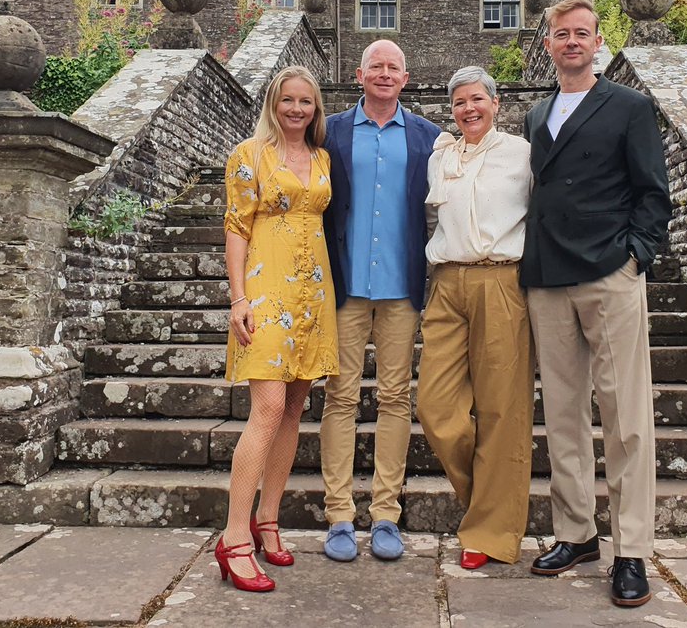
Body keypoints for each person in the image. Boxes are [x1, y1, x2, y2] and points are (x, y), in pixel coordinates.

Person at [521, 0, 671, 609]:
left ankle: (631, 549)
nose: (572, 42)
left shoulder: (630, 107)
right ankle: (576, 534)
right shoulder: (535, 115)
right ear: (549, 44)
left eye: (582, 33)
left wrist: (633, 255)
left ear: (598, 41)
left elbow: (653, 193)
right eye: (562, 34)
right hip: (547, 276)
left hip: (609, 273)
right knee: (562, 415)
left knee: (625, 417)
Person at [215, 65, 339, 593]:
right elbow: (237, 227)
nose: (296, 109)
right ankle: (234, 538)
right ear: (274, 103)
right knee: (266, 408)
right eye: (287, 100)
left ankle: (269, 519)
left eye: (306, 101)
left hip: (314, 291)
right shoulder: (250, 155)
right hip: (266, 289)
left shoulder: (321, 157)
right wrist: (238, 297)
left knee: (294, 407)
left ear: (315, 109)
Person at [320, 39, 441, 562]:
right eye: (377, 67)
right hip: (346, 286)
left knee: (395, 398)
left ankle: (386, 514)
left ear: (406, 77)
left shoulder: (429, 138)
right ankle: (339, 515)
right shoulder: (332, 132)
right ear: (359, 74)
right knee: (340, 398)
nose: (385, 74)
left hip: (401, 289)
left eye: (394, 66)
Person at [416, 66, 534, 570]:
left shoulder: (522, 154)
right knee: (436, 410)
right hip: (445, 284)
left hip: (501, 280)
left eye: (477, 99)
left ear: (496, 103)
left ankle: (490, 530)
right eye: (460, 101)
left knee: (502, 412)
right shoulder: (440, 155)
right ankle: (489, 503)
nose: (469, 108)